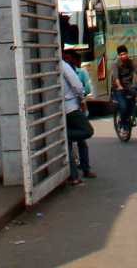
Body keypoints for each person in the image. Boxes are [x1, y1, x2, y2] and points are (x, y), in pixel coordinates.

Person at [61, 51, 94, 186]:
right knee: (87, 131)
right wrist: (82, 99)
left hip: (59, 110)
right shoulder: (63, 65)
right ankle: (64, 136)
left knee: (72, 144)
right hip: (71, 108)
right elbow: (77, 85)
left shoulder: (53, 66)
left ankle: (75, 175)